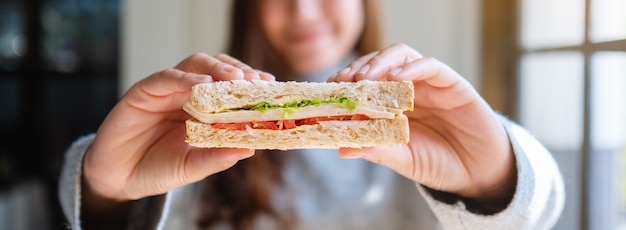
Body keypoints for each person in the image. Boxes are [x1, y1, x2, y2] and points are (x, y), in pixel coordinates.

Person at [59, 0, 565, 229]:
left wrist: (496, 174)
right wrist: (105, 194)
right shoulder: (197, 129)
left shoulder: (424, 123)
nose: (302, 10)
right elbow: (94, 199)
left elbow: (540, 207)